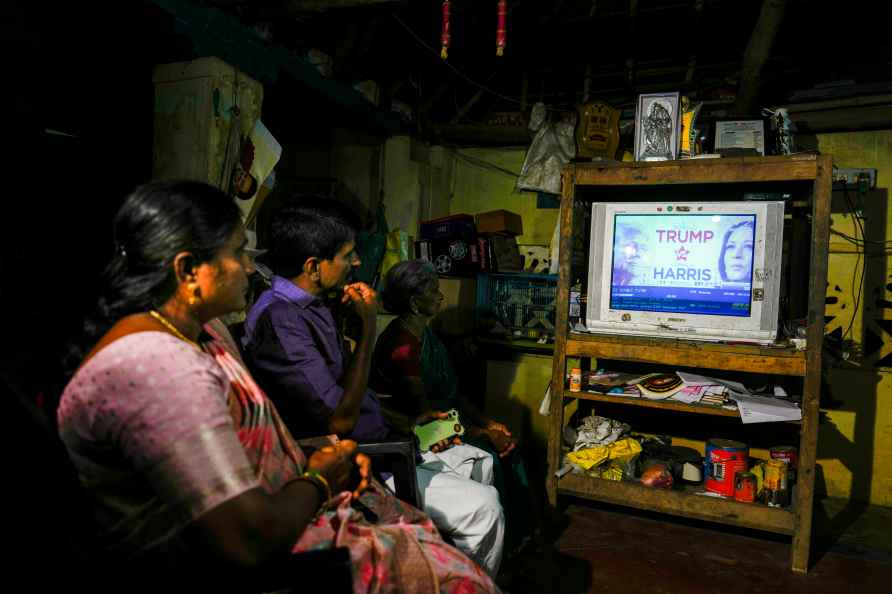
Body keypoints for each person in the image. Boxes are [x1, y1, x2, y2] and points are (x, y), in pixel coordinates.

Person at [58, 180, 499, 593]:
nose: (251, 267)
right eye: (238, 253)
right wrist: (318, 479)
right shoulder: (159, 367)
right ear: (189, 270)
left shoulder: (199, 332)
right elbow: (249, 538)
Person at [241, 197, 505, 576]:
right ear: (313, 267)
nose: (357, 263)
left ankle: (446, 570)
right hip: (365, 461)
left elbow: (354, 393)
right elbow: (340, 420)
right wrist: (367, 329)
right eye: (347, 255)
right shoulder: (282, 320)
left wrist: (412, 421)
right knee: (485, 508)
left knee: (479, 464)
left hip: (387, 440)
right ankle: (457, 579)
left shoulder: (312, 306)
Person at [371, 260, 536, 555]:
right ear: (413, 301)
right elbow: (424, 419)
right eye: (433, 291)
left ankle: (513, 545)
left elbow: (453, 393)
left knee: (510, 447)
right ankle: (496, 548)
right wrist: (481, 434)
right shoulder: (402, 345)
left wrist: (487, 423)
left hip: (450, 423)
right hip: (424, 434)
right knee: (493, 457)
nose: (440, 296)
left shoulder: (427, 336)